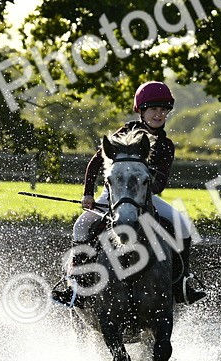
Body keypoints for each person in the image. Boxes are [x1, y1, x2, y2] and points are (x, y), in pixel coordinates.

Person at [54, 81, 206, 305]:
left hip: (144, 198)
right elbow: (95, 163)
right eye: (154, 109)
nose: (159, 114)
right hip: (112, 197)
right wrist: (88, 194)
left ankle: (181, 284)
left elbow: (160, 183)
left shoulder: (166, 145)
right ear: (142, 111)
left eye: (163, 110)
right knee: (81, 226)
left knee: (182, 224)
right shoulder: (124, 133)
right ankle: (75, 286)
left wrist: (139, 193)